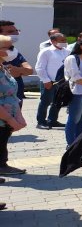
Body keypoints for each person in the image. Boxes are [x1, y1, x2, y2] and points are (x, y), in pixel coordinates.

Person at [0, 35, 27, 176]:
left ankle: (2, 165)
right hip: (3, 117)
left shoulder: (3, 66)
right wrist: (11, 120)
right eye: (8, 48)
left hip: (6, 117)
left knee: (2, 142)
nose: (12, 50)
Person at [35, 32, 69, 129]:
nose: (65, 42)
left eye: (65, 40)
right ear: (53, 41)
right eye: (62, 40)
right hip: (49, 81)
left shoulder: (66, 51)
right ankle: (41, 122)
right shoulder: (46, 51)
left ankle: (52, 120)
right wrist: (46, 80)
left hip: (62, 82)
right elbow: (40, 67)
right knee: (45, 102)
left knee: (57, 102)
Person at [0, 20, 33, 108]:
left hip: (16, 95)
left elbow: (29, 70)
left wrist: (17, 70)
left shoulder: (14, 52)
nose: (15, 34)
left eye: (16, 31)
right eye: (10, 32)